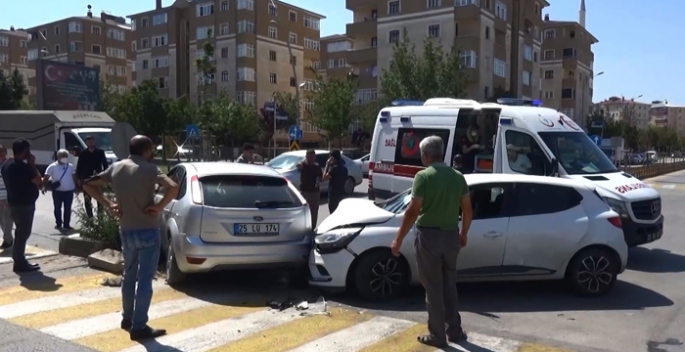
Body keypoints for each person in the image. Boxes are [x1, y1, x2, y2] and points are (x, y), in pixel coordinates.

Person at [83, 135, 179, 340]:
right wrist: (159, 207)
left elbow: (88, 185)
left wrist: (109, 204)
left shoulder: (116, 168)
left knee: (129, 275)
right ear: (147, 150)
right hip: (148, 229)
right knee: (144, 280)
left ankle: (127, 318)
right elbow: (174, 186)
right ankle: (139, 326)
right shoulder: (151, 169)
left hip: (126, 230)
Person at [390, 135, 472, 348]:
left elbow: (412, 211)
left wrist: (398, 239)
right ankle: (454, 331)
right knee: (449, 285)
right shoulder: (457, 176)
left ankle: (437, 335)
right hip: (451, 235)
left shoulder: (423, 177)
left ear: (425, 156)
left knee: (433, 288)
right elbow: (467, 209)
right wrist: (463, 234)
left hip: (429, 237)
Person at [1, 138, 43, 273]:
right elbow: (39, 182)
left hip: (12, 203)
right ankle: (20, 263)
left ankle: (19, 260)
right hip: (24, 205)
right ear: (25, 151)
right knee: (23, 234)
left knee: (20, 232)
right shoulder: (25, 168)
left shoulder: (6, 165)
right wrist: (32, 165)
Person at [43, 149, 77, 230]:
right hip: (57, 191)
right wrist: (44, 187)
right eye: (62, 156)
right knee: (57, 208)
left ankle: (66, 224)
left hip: (69, 191)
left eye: (66, 156)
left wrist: (76, 187)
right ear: (58, 157)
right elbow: (46, 178)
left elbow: (74, 177)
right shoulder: (52, 166)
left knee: (68, 208)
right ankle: (58, 223)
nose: (64, 158)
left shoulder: (71, 166)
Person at [76, 136, 108, 218]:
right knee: (87, 199)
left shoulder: (100, 152)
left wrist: (106, 176)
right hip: (86, 178)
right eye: (89, 142)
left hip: (98, 178)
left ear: (94, 142)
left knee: (100, 198)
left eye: (92, 141)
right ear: (86, 143)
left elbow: (105, 165)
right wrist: (79, 178)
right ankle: (90, 217)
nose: (90, 143)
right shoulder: (83, 153)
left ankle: (100, 217)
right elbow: (79, 166)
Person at [296, 149, 323, 227]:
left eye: (312, 156)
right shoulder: (303, 165)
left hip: (315, 193)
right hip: (304, 192)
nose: (310, 158)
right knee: (303, 212)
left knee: (314, 212)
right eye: (309, 156)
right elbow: (298, 166)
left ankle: (313, 228)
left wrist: (319, 180)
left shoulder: (317, 166)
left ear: (314, 157)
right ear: (306, 157)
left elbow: (321, 177)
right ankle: (303, 227)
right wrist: (301, 163)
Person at [0, 145, 12, 249]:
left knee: (7, 219)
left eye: (1, 151)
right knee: (1, 220)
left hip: (8, 196)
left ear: (5, 152)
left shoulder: (9, 165)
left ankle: (7, 240)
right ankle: (9, 237)